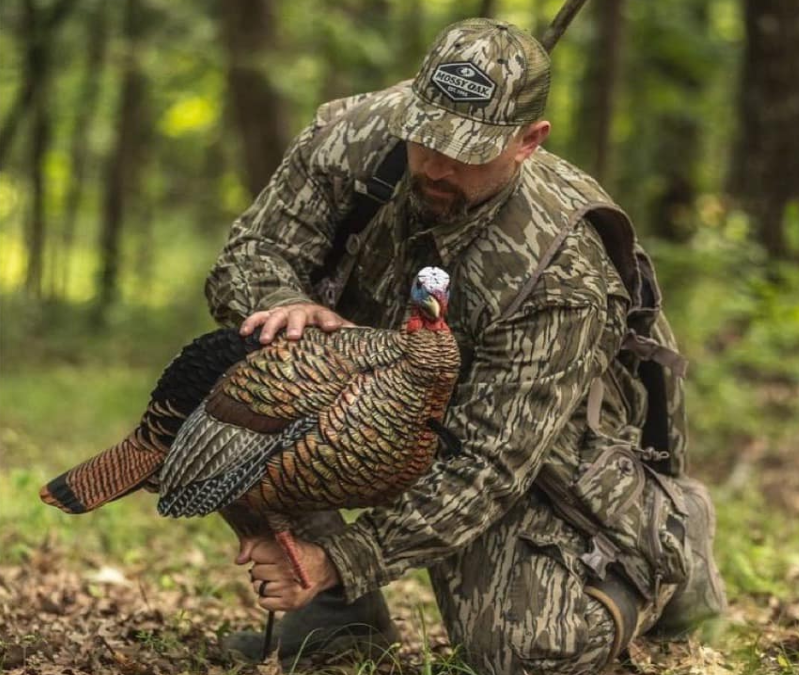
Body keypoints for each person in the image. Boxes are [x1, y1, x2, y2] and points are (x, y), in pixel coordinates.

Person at [206, 17, 726, 674]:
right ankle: (338, 620)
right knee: (219, 384)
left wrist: (343, 556)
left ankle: (661, 547)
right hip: (383, 378)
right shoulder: (356, 136)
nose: (438, 165)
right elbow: (251, 252)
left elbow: (487, 464)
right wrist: (280, 304)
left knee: (521, 651)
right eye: (428, 137)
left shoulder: (560, 274)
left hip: (529, 441)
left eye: (469, 150)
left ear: (528, 142)